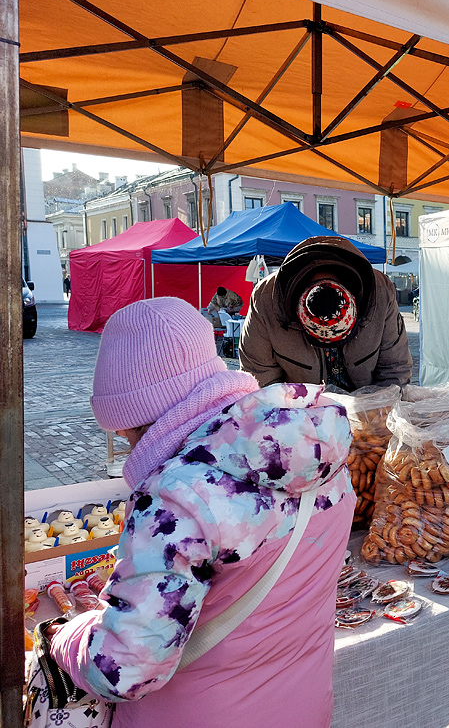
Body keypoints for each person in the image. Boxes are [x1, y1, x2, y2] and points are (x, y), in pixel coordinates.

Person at [46, 297, 355, 728]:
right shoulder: (320, 454)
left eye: (126, 433)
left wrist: (69, 634)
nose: (128, 447)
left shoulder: (176, 500)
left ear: (141, 419)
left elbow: (122, 671)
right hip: (303, 708)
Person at [239, 236, 411, 391]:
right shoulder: (266, 300)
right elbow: (259, 378)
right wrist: (295, 419)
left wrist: (379, 412)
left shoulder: (379, 293)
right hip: (299, 412)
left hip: (365, 411)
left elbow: (394, 369)